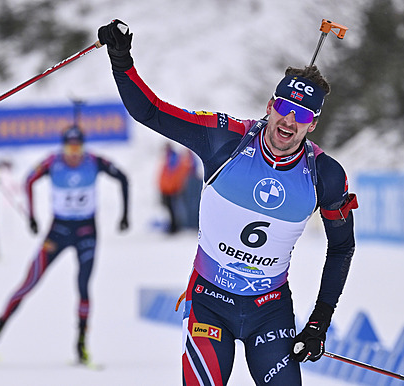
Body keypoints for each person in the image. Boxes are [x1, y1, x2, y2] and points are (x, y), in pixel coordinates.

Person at [98, 20, 357, 385]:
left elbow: (342, 246)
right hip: (210, 303)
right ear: (270, 104)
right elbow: (151, 111)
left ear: (313, 124)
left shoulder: (325, 175)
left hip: (270, 311)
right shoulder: (225, 139)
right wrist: (121, 61)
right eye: (284, 106)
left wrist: (318, 323)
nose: (289, 120)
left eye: (302, 116)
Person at [0, 126, 129, 365]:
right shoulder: (52, 162)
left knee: (83, 287)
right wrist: (32, 217)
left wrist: (125, 215)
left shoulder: (95, 161)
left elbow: (123, 178)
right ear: (63, 146)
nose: (74, 153)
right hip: (59, 231)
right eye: (69, 147)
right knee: (29, 282)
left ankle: (81, 345)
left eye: (78, 147)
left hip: (87, 231)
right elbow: (28, 181)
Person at [158, 142, 194, 234]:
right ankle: (174, 225)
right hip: (168, 188)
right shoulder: (169, 158)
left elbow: (174, 175)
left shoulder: (173, 158)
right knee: (172, 209)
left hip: (171, 188)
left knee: (174, 209)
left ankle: (175, 226)